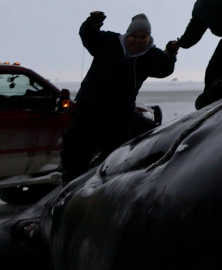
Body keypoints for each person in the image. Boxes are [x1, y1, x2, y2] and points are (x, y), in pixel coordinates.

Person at [61, 12, 176, 180]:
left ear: (148, 38)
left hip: (120, 109)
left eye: (143, 37)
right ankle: (70, 179)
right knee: (77, 143)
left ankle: (107, 180)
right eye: (134, 36)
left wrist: (170, 54)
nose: (137, 40)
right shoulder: (109, 41)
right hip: (90, 104)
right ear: (127, 34)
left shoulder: (151, 55)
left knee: (115, 148)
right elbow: (88, 36)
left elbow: (162, 69)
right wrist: (94, 22)